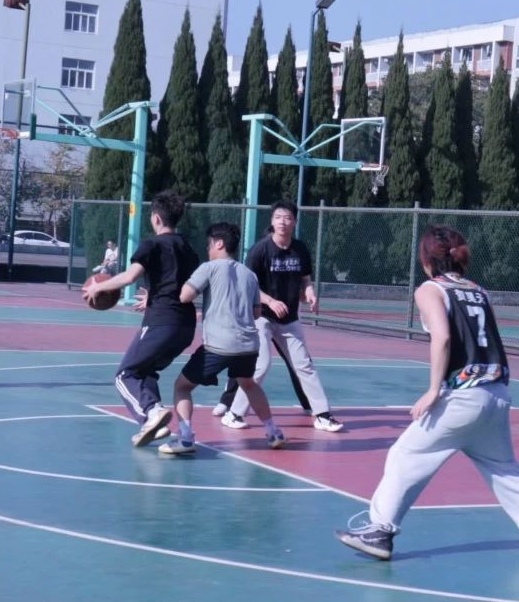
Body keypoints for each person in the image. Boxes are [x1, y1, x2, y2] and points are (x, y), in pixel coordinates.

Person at [336, 225, 519, 562]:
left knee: (405, 455)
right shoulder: (479, 290)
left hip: (463, 396)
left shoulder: (430, 289)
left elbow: (442, 337)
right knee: (504, 468)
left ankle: (380, 531)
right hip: (497, 393)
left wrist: (434, 390)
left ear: (426, 260)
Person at [83, 191, 201, 448]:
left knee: (125, 374)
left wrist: (98, 287)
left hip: (162, 321)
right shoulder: (187, 247)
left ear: (156, 218)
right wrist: (156, 294)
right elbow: (190, 284)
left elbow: (130, 276)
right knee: (146, 372)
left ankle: (152, 413)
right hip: (186, 325)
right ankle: (154, 427)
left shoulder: (152, 245)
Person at [161, 222, 286, 455]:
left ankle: (186, 437)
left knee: (182, 387)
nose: (208, 249)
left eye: (209, 245)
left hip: (218, 346)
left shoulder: (208, 268)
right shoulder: (249, 275)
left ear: (219, 243)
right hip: (249, 346)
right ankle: (273, 431)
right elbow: (256, 313)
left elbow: (185, 296)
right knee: (248, 384)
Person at [221, 200, 342, 433]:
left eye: (287, 218)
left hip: (289, 319)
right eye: (278, 217)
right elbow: (248, 285)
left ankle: (322, 415)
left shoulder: (300, 249)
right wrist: (270, 301)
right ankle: (234, 413)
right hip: (261, 316)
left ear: (294, 222)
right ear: (272, 221)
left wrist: (310, 293)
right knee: (261, 365)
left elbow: (305, 279)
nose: (282, 222)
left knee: (304, 365)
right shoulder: (260, 250)